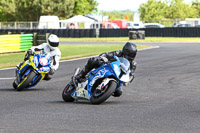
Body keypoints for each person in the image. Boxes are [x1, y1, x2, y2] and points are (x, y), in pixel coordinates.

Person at [73, 42, 137, 97]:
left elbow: (131, 74)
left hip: (118, 77)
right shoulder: (118, 53)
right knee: (94, 60)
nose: (132, 56)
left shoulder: (133, 64)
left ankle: (104, 91)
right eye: (130, 54)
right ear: (125, 51)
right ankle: (81, 74)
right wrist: (103, 58)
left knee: (119, 92)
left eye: (133, 54)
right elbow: (105, 54)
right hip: (107, 68)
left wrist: (128, 81)